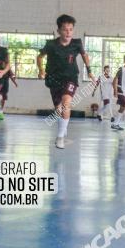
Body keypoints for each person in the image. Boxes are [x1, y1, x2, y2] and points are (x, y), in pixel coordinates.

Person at [36, 14, 94, 149]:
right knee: (58, 109)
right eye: (65, 29)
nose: (68, 32)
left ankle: (60, 136)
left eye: (71, 29)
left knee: (66, 103)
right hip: (54, 79)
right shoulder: (50, 45)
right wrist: (41, 70)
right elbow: (39, 57)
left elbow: (85, 55)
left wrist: (89, 71)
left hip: (71, 78)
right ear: (58, 31)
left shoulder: (77, 43)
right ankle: (63, 124)